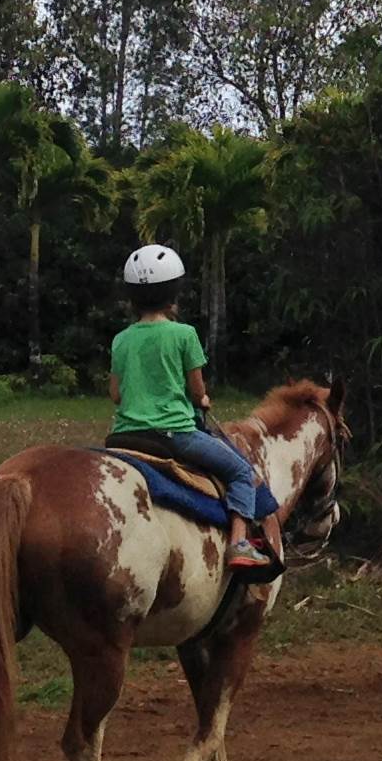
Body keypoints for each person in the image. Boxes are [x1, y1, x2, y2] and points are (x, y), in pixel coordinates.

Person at [107, 243, 271, 573]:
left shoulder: (121, 339)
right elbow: (197, 392)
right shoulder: (184, 334)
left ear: (132, 297)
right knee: (242, 472)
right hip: (173, 435)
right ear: (173, 294)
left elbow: (116, 395)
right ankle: (240, 545)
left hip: (124, 436)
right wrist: (203, 400)